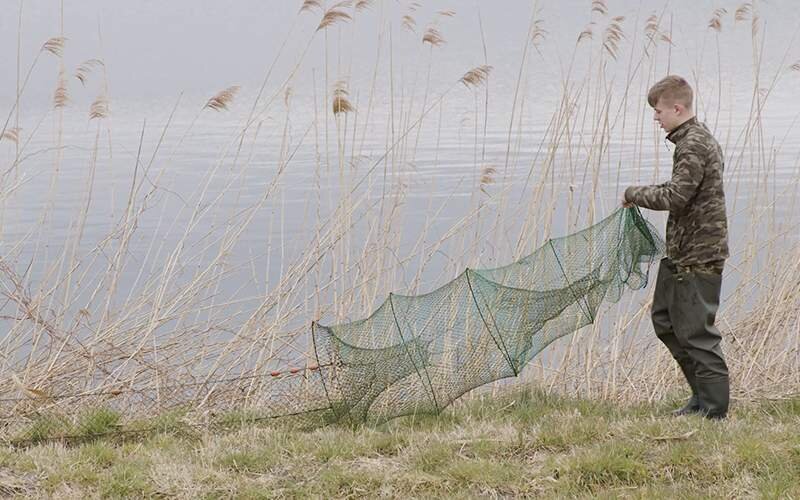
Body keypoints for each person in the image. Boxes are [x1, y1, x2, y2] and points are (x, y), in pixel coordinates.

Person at [623, 75, 730, 419]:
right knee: (665, 321)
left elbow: (676, 196)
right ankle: (699, 399)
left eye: (658, 111)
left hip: (700, 255)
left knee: (698, 334)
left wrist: (632, 194)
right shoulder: (689, 141)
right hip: (680, 254)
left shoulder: (694, 144)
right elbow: (680, 189)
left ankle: (714, 412)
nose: (656, 118)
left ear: (677, 108)